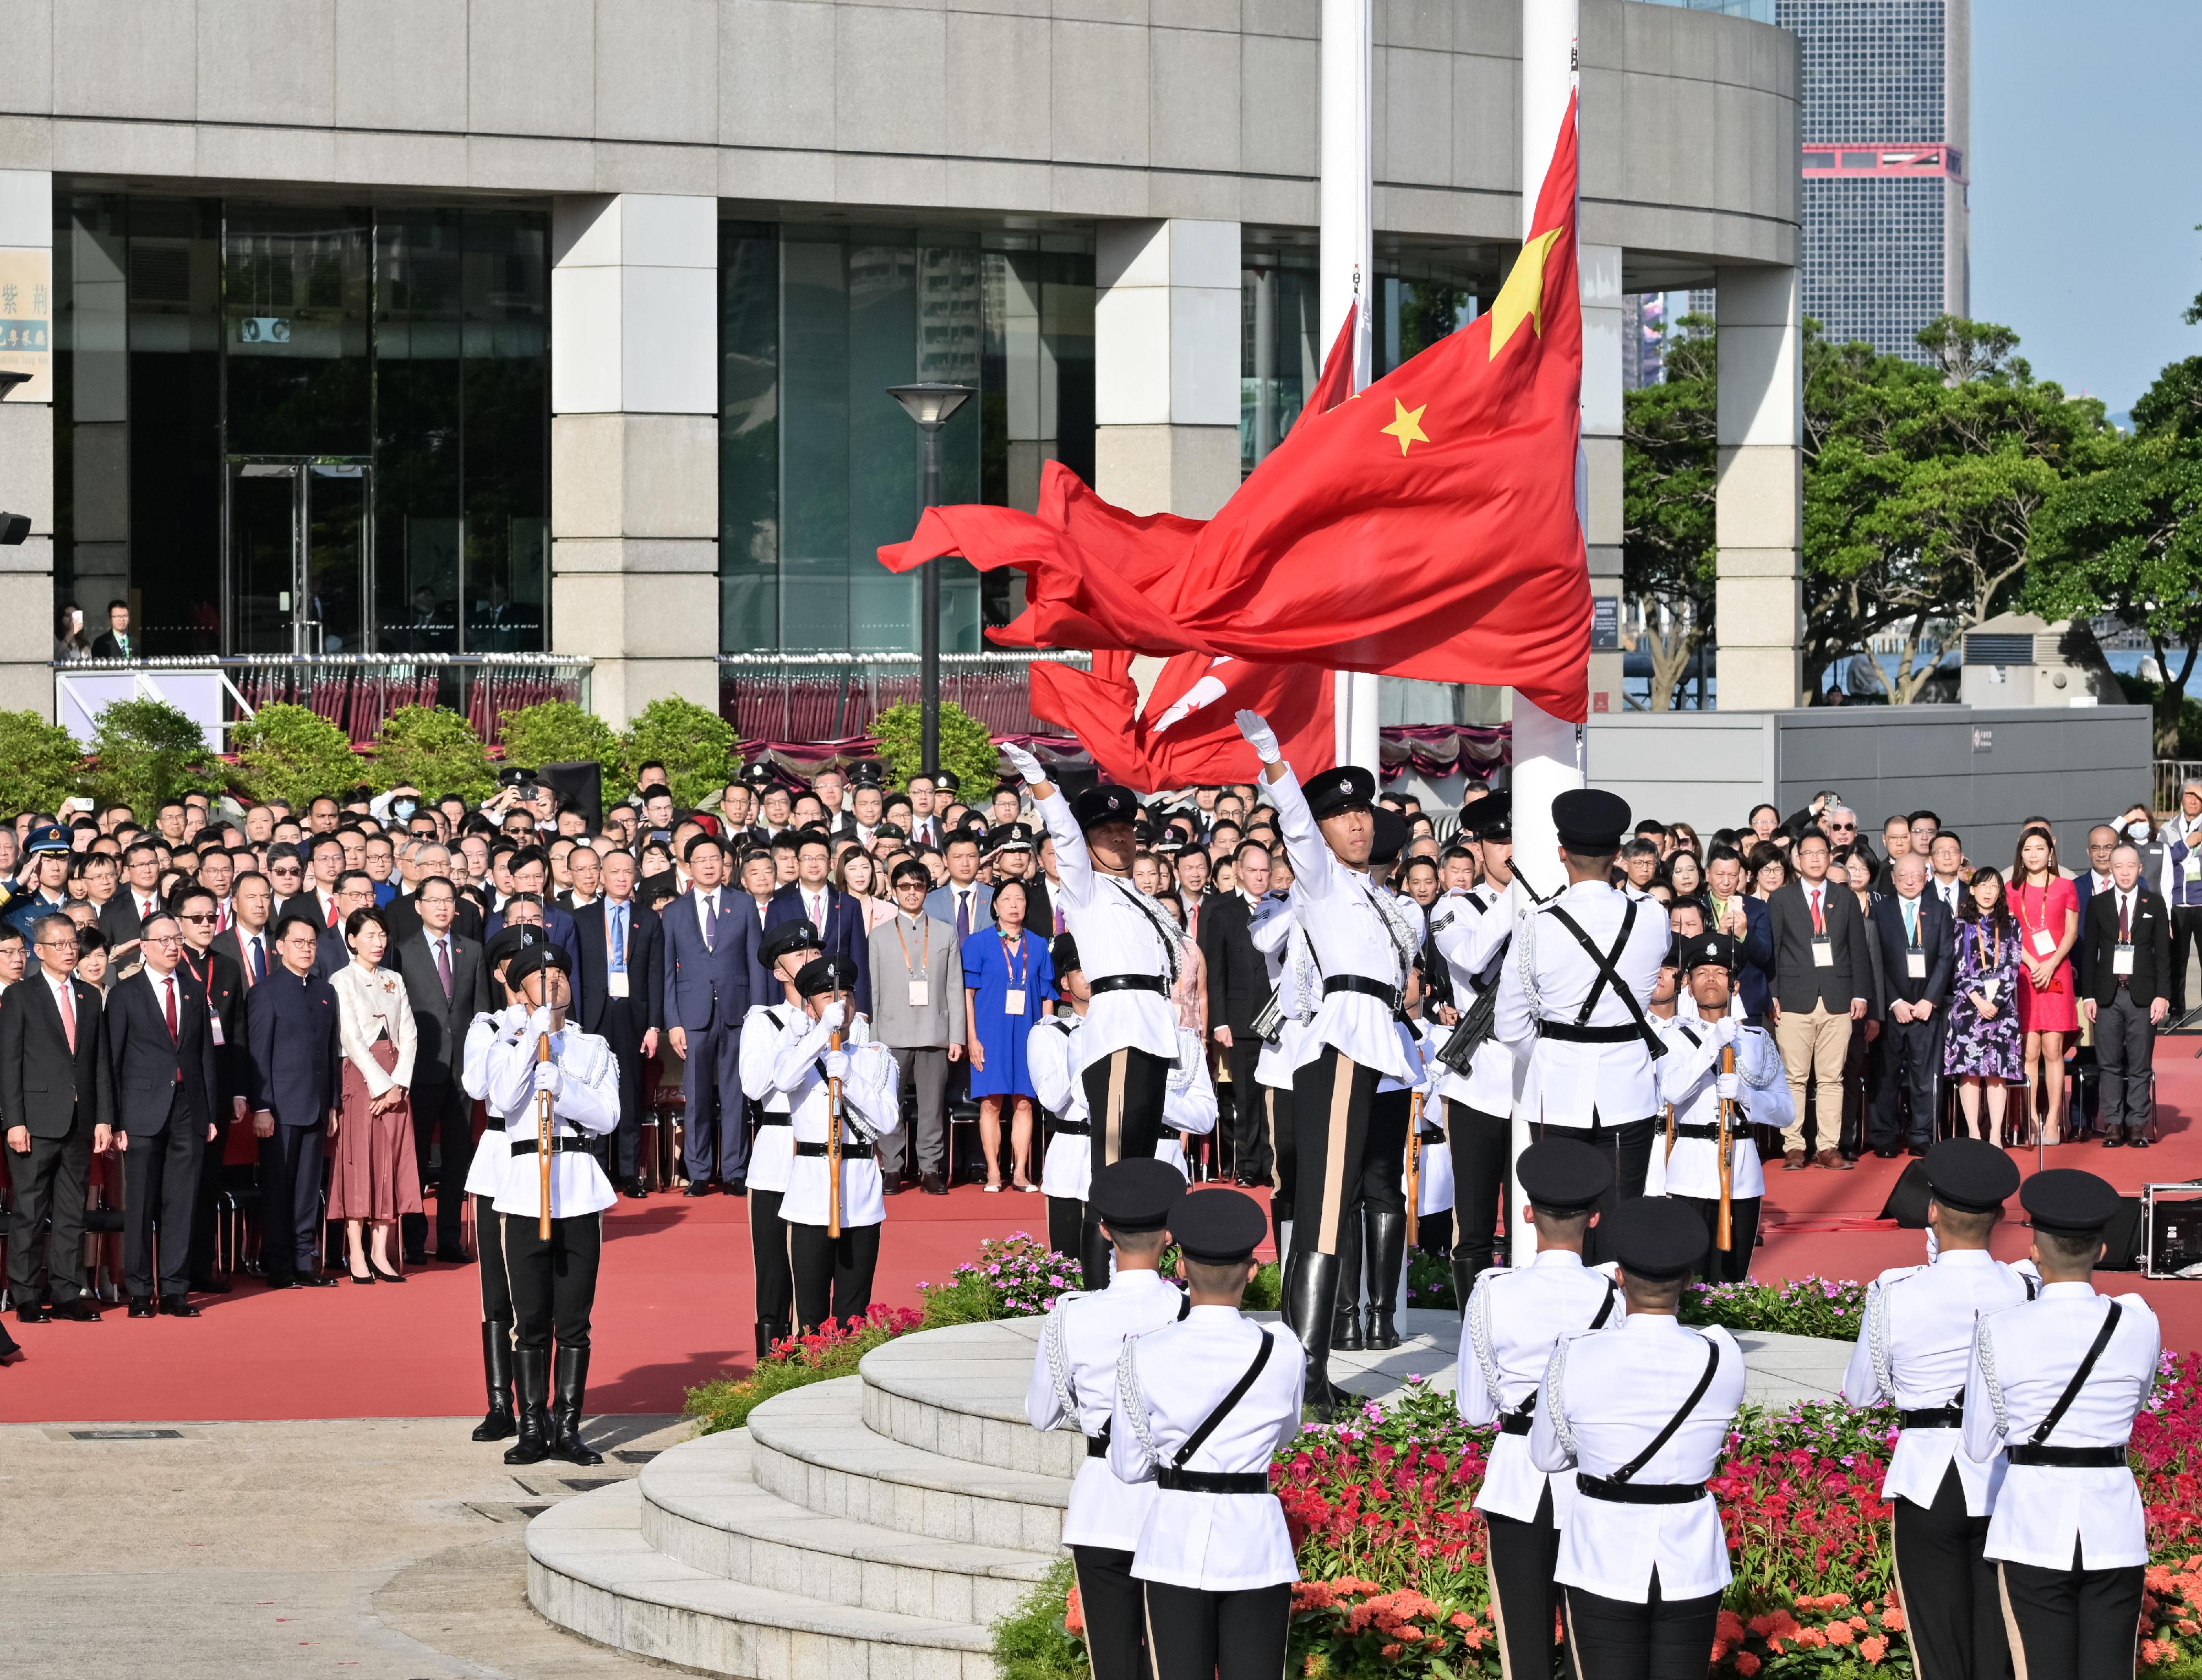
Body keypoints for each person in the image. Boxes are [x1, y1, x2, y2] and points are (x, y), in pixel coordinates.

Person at [1233, 713, 1422, 1412]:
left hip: (1369, 1038)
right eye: (1340, 816)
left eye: (1362, 813)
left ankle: (1303, 1366)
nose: (1357, 825)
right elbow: (1294, 821)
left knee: (1336, 1202)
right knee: (1322, 1206)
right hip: (1340, 1039)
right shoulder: (1318, 879)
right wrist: (1274, 762)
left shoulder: (1373, 895)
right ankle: (1305, 1375)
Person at [1529, 1197, 1746, 1680]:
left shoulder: (1576, 1352)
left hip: (1602, 1547)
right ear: (1689, 1280)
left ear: (1619, 1276)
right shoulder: (1722, 1353)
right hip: (1691, 1552)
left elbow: (1545, 1456)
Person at [1839, 1138, 2030, 1680]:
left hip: (1927, 1475)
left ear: (1931, 1212)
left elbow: (1861, 1392)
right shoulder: (2022, 1287)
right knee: (2000, 1643)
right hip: (2002, 1470)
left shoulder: (1896, 1291)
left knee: (1937, 1647)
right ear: (1997, 1216)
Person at [1962, 1168, 2162, 1680]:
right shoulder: (2138, 1319)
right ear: (2100, 1250)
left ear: (2034, 1248)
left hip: (2032, 1520)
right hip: (2113, 1519)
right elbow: (2136, 1405)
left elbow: (1980, 1446)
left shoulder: (1999, 1327)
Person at [1001, 744, 1184, 1291]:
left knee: (1142, 1167)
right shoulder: (1085, 886)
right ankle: (1099, 1289)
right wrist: (1039, 781)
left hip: (1152, 1028)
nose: (1121, 839)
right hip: (1117, 1031)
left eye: (1127, 830)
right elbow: (1060, 828)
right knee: (1110, 1173)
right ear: (1086, 841)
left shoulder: (1142, 896)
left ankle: (1139, 1281)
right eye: (1107, 832)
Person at [1107, 1188, 1303, 1680]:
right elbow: (1286, 1435)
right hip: (1257, 1542)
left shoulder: (1144, 1352)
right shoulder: (1283, 1349)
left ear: (1180, 1270)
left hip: (1174, 1539)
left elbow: (1129, 1466)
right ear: (1253, 1271)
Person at [1454, 1138, 1620, 1679]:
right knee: (1588, 1649)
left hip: (1515, 1474)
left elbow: (1475, 1409)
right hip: (1589, 1477)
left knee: (1521, 1653)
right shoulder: (1613, 1297)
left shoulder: (1492, 1291)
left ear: (1527, 1214)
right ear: (1593, 1218)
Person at [1022, 1158, 1190, 1680]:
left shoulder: (1072, 1313)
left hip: (1102, 1502)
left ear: (1103, 1230)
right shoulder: (1188, 1311)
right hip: (1177, 1501)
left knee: (1114, 1667)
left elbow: (1042, 1414)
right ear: (1171, 1234)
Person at [1494, 788, 1671, 1259]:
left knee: (1559, 1221)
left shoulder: (1538, 922)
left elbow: (1510, 1025)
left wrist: (1556, 1051)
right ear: (1618, 855)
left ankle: (1562, 1321)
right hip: (1628, 1084)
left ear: (1561, 854)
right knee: (1620, 1213)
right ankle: (1612, 1318)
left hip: (1557, 1088)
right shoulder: (1652, 918)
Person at [483, 942, 622, 1467]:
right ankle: (530, 1426)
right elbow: (500, 1098)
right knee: (531, 1318)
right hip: (524, 1186)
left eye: (561, 973)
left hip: (578, 1183)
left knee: (575, 1318)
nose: (555, 983)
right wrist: (530, 1041)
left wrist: (563, 1087)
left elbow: (607, 1117)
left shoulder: (593, 1048)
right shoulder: (505, 1042)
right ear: (520, 992)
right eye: (542, 977)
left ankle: (568, 1426)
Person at [768, 956, 902, 1331]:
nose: (839, 1003)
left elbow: (889, 1121)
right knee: (809, 1317)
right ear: (810, 1007)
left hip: (860, 1195)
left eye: (845, 995)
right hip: (812, 1197)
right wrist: (819, 1039)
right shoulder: (795, 1055)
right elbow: (782, 1079)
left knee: (853, 1315)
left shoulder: (877, 1059)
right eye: (827, 997)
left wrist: (853, 1081)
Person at [105, 910, 221, 1317]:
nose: (173, 947)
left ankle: (175, 1289)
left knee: (181, 1202)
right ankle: (139, 1291)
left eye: (177, 940)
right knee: (140, 1204)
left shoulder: (192, 990)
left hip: (188, 1110)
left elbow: (204, 1055)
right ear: (145, 945)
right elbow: (112, 1061)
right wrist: (115, 1119)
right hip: (140, 1112)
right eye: (165, 940)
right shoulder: (125, 993)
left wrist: (208, 1112)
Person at [1650, 933, 1785, 1281]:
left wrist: (1747, 1098)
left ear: (1736, 986)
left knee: (1732, 1280)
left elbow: (1786, 1112)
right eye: (1702, 972)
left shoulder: (1757, 1040)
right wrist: (1712, 1045)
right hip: (1691, 1170)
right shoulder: (1672, 1037)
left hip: (1741, 1172)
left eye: (1721, 972)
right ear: (1689, 987)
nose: (1711, 979)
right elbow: (1673, 1091)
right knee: (1687, 1278)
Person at [2, 914, 113, 1325]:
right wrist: (14, 1121)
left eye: (73, 944)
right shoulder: (21, 996)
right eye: (60, 944)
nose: (69, 952)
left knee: (72, 1212)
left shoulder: (89, 995)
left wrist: (104, 1118)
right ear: (40, 950)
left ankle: (68, 1292)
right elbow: (9, 1064)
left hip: (81, 1121)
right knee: (30, 1210)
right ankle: (26, 1294)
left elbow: (100, 1063)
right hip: (35, 1121)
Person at [1431, 792, 1519, 1300]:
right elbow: (1469, 955)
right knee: (1476, 1219)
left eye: (1515, 839)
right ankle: (1474, 1325)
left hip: (1535, 1076)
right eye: (1499, 840)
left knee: (1537, 1215)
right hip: (1478, 1079)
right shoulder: (1456, 908)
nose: (1509, 850)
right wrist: (1519, 896)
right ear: (1479, 848)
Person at [391, 874, 489, 1254]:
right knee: (414, 1155)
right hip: (422, 1067)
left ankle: (449, 1238)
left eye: (449, 900)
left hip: (462, 1070)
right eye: (434, 901)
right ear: (418, 906)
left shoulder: (472, 950)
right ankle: (414, 1239)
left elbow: (481, 1012)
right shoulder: (402, 952)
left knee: (457, 1156)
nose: (443, 907)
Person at [1763, 827, 1871, 1171]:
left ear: (1829, 857)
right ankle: (1794, 1145)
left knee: (1831, 1078)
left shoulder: (1845, 897)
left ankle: (1828, 1147)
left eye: (1820, 853)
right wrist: (1773, 993)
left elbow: (1859, 950)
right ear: (1797, 859)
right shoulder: (1781, 899)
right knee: (1793, 1078)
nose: (1814, 858)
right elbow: (1773, 950)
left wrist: (1860, 993)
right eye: (1807, 853)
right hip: (1794, 999)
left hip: (1838, 998)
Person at [461, 927, 533, 1442]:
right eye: (515, 963)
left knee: (539, 1289)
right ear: (499, 972)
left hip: (543, 1161)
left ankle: (538, 1404)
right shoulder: (486, 1026)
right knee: (496, 1290)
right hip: (497, 1157)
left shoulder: (563, 1027)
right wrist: (514, 1031)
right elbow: (477, 1086)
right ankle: (499, 1402)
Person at [249, 913, 345, 1288]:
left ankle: (305, 1261)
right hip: (279, 1108)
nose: (306, 949)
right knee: (279, 1189)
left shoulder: (325, 992)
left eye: (311, 943)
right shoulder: (265, 992)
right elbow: (258, 1054)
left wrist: (334, 1102)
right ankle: (279, 1262)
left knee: (308, 1189)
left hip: (317, 1105)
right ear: (280, 947)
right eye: (298, 943)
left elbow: (330, 1049)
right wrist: (262, 1106)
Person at [661, 833, 759, 1195]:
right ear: (688, 866)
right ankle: (700, 1172)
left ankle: (735, 1170)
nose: (708, 865)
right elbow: (667, 973)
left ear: (725, 865)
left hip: (738, 1012)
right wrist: (673, 1022)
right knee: (698, 1096)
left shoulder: (743, 905)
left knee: (737, 1095)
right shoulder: (674, 912)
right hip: (693, 1015)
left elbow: (755, 963)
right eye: (700, 859)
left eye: (715, 859)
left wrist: (759, 1015)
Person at [740, 919, 821, 1356]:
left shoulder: (844, 1018)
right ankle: (771, 1369)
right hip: (777, 1151)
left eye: (814, 953)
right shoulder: (765, 1021)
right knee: (773, 1270)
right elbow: (753, 1086)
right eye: (799, 955)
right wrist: (795, 1031)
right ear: (778, 971)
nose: (811, 961)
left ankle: (817, 1358)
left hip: (823, 1154)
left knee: (815, 1269)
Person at [328, 906, 421, 1285]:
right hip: (360, 1077)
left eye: (382, 935)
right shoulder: (341, 980)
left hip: (397, 1080)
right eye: (369, 935)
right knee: (358, 1162)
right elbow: (350, 1037)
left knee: (390, 1162)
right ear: (352, 940)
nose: (378, 942)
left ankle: (382, 1252)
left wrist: (399, 1085)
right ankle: (356, 1251)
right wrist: (382, 1085)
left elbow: (410, 1032)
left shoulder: (394, 979)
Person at [866, 857, 964, 1196]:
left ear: (927, 890)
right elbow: (874, 988)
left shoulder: (944, 931)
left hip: (934, 1031)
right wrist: (873, 1038)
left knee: (932, 1104)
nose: (912, 892)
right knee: (890, 1103)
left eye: (918, 886)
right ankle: (892, 1166)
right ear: (894, 891)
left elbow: (954, 986)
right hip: (890, 1032)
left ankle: (929, 1168)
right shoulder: (878, 936)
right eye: (904, 886)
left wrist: (957, 1035)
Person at [569, 850, 663, 1196]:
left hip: (632, 1015)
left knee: (629, 1091)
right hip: (593, 1011)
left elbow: (657, 974)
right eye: (614, 872)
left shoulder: (648, 919)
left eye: (628, 872)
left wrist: (654, 1024)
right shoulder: (582, 919)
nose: (622, 878)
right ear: (601, 876)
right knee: (590, 1087)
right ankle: (596, 1167)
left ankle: (630, 1171)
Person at [172, 884, 247, 1296]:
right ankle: (172, 1273)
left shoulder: (229, 966)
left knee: (208, 1184)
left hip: (217, 1089)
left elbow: (236, 1033)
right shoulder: (171, 966)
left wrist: (238, 1091)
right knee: (179, 1186)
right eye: (196, 918)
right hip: (180, 1091)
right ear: (178, 924)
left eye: (211, 917)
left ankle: (202, 1267)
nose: (206, 924)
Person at [2080, 840, 2171, 1149]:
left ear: (2140, 868)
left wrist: (2163, 995)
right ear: (2110, 868)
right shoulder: (2099, 903)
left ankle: (2137, 1125)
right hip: (2107, 995)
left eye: (2131, 866)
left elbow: (2163, 956)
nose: (2125, 872)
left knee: (2140, 1063)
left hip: (2143, 996)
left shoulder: (2154, 903)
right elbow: (2089, 952)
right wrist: (2089, 996)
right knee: (2108, 1063)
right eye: (2118, 866)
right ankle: (2113, 1123)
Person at [1200, 840, 1276, 1188]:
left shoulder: (1282, 907)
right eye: (1254, 871)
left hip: (1279, 1017)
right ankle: (1247, 1164)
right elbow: (1215, 971)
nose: (1260, 877)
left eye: (1265, 871)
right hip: (1241, 1018)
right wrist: (1219, 1021)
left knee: (1274, 1095)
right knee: (1246, 1096)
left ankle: (1272, 1163)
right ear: (1240, 872)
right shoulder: (1222, 911)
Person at [1869, 852, 1954, 1158]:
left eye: (1916, 875)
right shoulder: (1879, 911)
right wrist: (1894, 1001)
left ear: (1926, 877)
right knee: (1886, 1075)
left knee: (1925, 1076)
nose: (1909, 880)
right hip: (1892, 1009)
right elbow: (1875, 961)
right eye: (1903, 875)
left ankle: (1922, 1135)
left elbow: (1946, 957)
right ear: (1892, 878)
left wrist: (1929, 1000)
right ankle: (1885, 1136)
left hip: (1927, 1009)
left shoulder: (1941, 910)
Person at [1944, 866, 2024, 1146]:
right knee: (1970, 1071)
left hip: (2002, 1009)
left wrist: (1998, 1001)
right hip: (1969, 1008)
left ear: (2000, 892)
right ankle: (1974, 1134)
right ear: (1973, 890)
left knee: (1997, 1073)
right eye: (1983, 886)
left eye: (1994, 886)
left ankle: (1995, 1135)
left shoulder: (2012, 925)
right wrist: (1978, 1000)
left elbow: (2013, 966)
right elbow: (1956, 969)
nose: (1988, 892)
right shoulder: (1959, 926)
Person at [2009, 825, 2079, 1145]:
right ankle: (2029, 1121)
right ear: (2020, 854)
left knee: (2054, 1050)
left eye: (2039, 848)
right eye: (2028, 849)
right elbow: (2011, 933)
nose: (2034, 854)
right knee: (2029, 1050)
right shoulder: (2011, 889)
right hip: (2025, 973)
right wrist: (2033, 963)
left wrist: (2050, 964)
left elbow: (2070, 933)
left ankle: (2053, 1121)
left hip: (2057, 972)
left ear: (2050, 852)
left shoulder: (2066, 886)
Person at [1030, 935, 1094, 1259]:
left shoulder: (1127, 1030)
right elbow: (1052, 1099)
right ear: (1065, 980)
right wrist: (1080, 1044)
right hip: (1071, 1152)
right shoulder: (1049, 1033)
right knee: (1068, 1265)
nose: (1092, 976)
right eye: (1081, 969)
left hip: (1115, 1152)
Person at [766, 830, 872, 1014]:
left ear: (831, 864)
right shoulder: (779, 907)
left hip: (839, 1005)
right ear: (798, 863)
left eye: (820, 858)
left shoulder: (849, 905)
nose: (814, 864)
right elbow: (772, 965)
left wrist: (861, 1012)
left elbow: (859, 962)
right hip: (795, 1006)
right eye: (807, 858)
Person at [2156, 778, 2202, 1009]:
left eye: (2199, 796)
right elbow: (2163, 860)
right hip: (2177, 904)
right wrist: (2187, 843)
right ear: (2181, 798)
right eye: (2188, 795)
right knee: (2177, 962)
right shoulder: (2167, 830)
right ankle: (2176, 1010)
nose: (2193, 800)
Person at [925, 833, 994, 938]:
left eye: (971, 856)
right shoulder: (929, 902)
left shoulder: (995, 897)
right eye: (958, 857)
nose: (965, 863)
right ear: (945, 861)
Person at [90, 597, 134, 661]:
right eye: (118, 616)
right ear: (110, 619)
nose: (122, 620)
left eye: (125, 616)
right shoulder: (101, 643)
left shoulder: (134, 642)